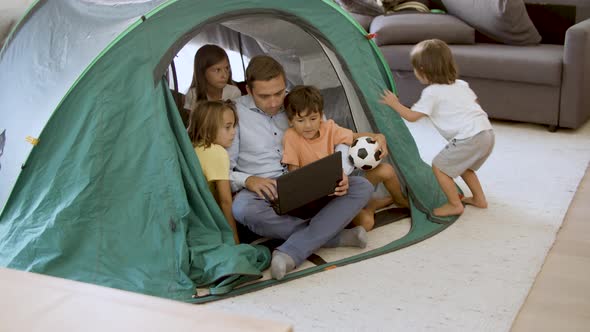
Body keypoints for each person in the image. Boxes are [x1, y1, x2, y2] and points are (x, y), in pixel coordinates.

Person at [228, 55, 374, 280]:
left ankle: (294, 249)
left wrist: (341, 173)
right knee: (242, 208)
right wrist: (248, 180)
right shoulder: (234, 114)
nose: (275, 102)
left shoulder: (301, 102)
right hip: (264, 188)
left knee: (361, 186)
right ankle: (332, 238)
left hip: (308, 181)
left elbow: (336, 140)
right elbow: (224, 170)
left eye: (279, 92)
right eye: (264, 96)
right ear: (248, 89)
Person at [379, 38, 494, 217]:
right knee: (465, 166)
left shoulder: (432, 92)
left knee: (439, 167)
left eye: (415, 68)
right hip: (486, 132)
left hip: (468, 137)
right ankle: (479, 199)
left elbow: (412, 117)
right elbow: (475, 103)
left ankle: (454, 204)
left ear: (422, 70)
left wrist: (394, 103)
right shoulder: (461, 84)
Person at [281, 85, 408, 231]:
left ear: (321, 116)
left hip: (342, 182)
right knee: (367, 223)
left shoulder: (328, 127)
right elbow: (294, 176)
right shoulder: (291, 137)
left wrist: (378, 136)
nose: (308, 125)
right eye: (300, 120)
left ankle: (399, 200)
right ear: (290, 121)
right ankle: (371, 205)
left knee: (386, 170)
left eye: (313, 118)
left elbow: (354, 136)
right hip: (322, 197)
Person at [188, 100, 240, 244]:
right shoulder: (217, 152)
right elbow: (225, 202)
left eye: (234, 126)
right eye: (228, 127)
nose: (234, 132)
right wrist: (235, 242)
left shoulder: (193, 148)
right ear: (207, 129)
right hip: (209, 222)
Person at [184, 44, 242, 112]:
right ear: (202, 72)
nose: (224, 75)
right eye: (217, 70)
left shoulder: (233, 92)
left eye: (227, 68)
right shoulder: (193, 95)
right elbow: (192, 121)